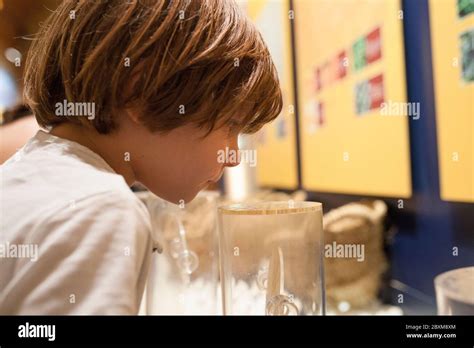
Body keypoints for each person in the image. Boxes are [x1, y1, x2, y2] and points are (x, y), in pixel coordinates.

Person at [0, 0, 282, 314]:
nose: (234, 157)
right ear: (142, 92)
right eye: (230, 125)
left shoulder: (30, 174)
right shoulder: (100, 208)